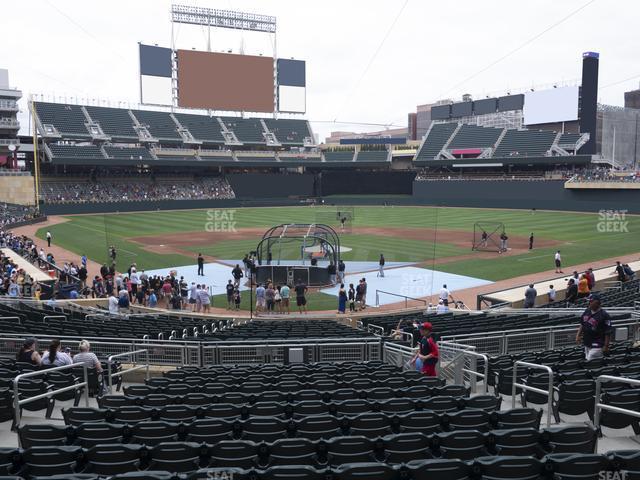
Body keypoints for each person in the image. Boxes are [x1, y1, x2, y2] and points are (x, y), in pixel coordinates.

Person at [576, 293, 612, 360]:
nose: (589, 303)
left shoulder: (604, 315)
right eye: (589, 301)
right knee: (588, 359)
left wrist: (606, 346)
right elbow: (582, 324)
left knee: (590, 360)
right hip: (587, 342)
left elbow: (608, 332)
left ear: (597, 303)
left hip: (598, 344)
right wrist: (578, 335)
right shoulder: (587, 311)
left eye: (591, 301)